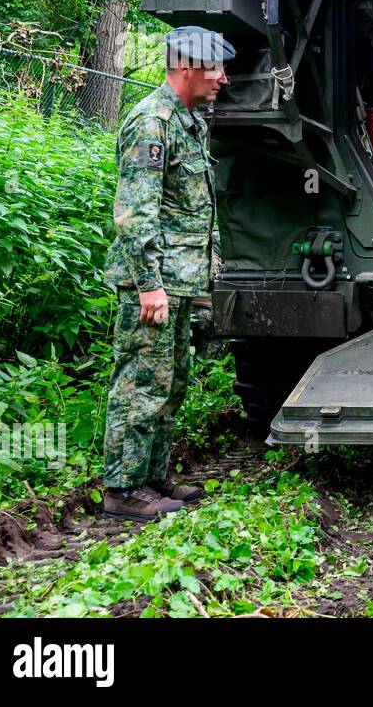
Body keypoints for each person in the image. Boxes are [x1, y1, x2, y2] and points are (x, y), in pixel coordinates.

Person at [100, 26, 232, 521]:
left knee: (171, 382)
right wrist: (148, 284)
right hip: (154, 284)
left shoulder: (187, 120)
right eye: (214, 68)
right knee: (140, 382)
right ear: (185, 67)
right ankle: (123, 488)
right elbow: (137, 213)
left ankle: (152, 476)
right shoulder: (151, 123)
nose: (222, 78)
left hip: (179, 280)